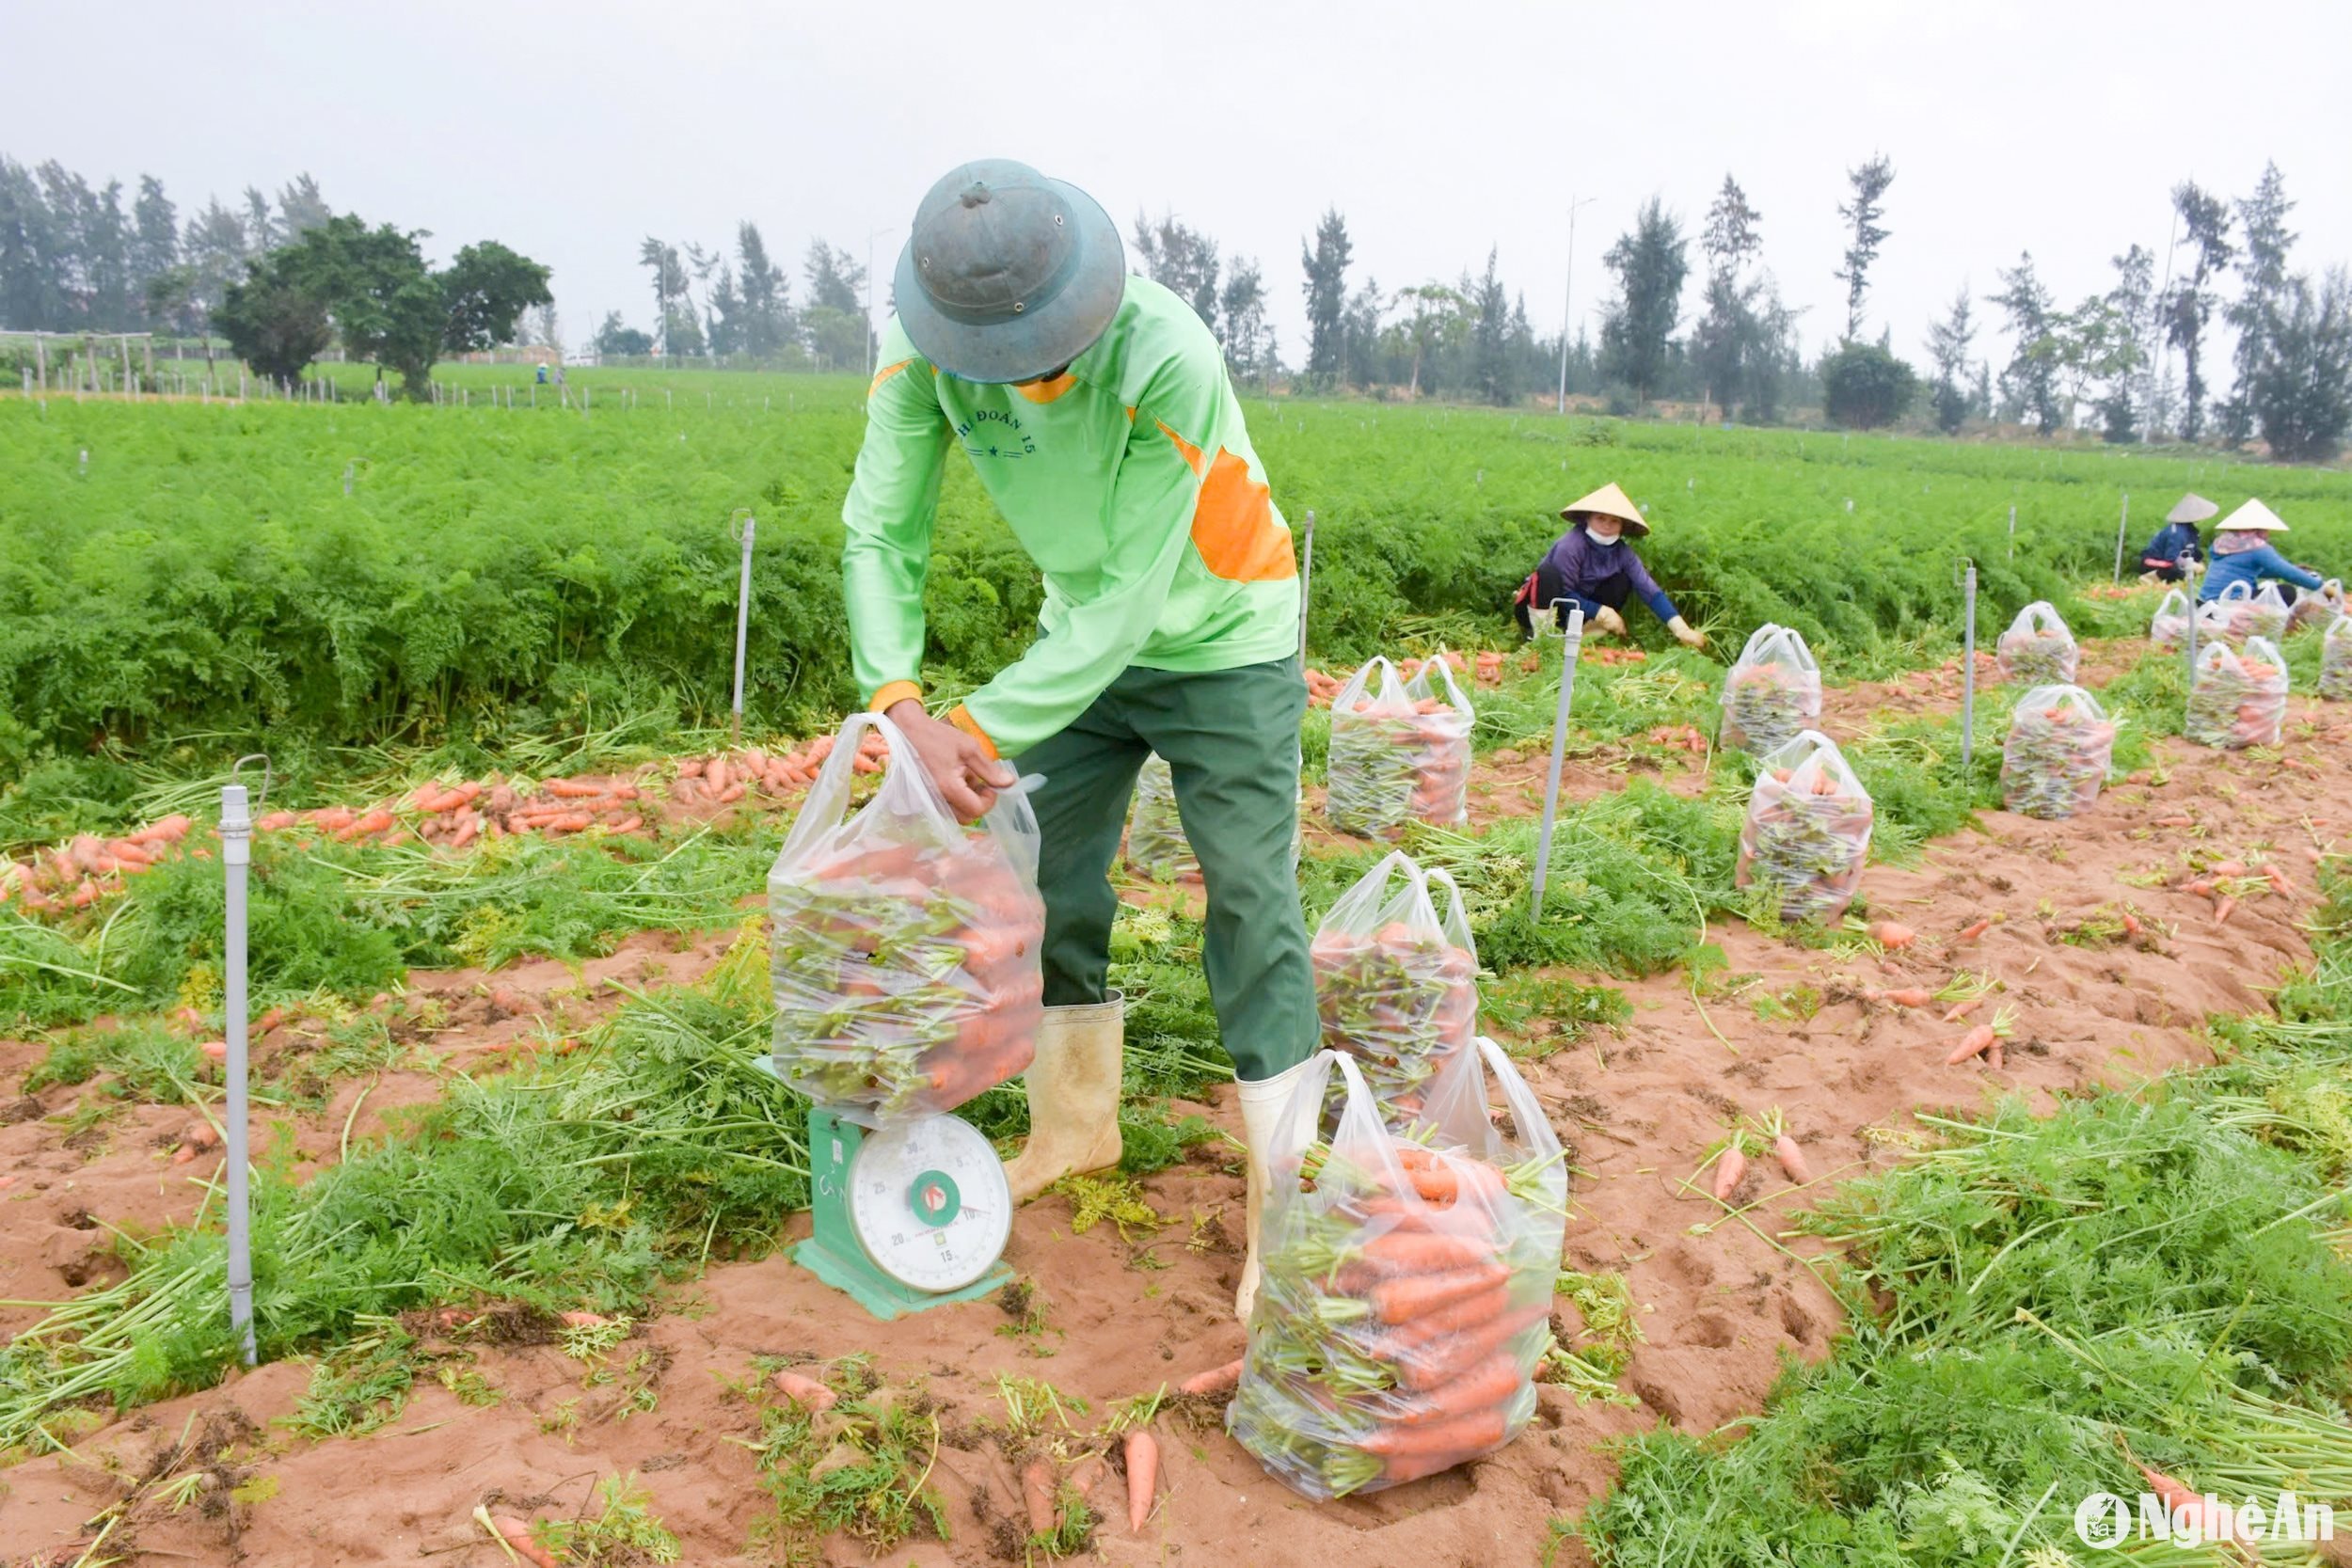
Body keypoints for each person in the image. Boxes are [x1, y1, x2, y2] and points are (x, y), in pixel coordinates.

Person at [840, 159, 1314, 1320]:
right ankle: (1073, 1126)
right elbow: (881, 532)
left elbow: (1129, 605)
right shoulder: (918, 357)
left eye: (1045, 354)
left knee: (1249, 895)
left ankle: (1292, 1208)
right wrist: (898, 698)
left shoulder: (1167, 356)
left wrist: (974, 720)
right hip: (1077, 645)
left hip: (1222, 635)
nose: (1024, 381)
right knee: (1045, 872)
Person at [1511, 482, 1706, 646]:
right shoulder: (1571, 545)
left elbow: (1650, 591)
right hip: (1544, 605)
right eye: (1600, 518)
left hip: (1578, 613)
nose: (1607, 525)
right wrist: (1601, 612)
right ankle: (1541, 639)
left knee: (1623, 580)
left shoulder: (1623, 553)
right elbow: (1563, 594)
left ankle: (1581, 640)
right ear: (1588, 518)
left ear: (1622, 526)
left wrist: (1680, 629)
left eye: (1614, 521)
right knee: (1548, 573)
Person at [2197, 498, 2324, 606]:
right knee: (2287, 592)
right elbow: (2287, 572)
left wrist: (2292, 569)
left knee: (2266, 588)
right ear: (2258, 529)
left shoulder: (2223, 542)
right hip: (2231, 603)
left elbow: (2247, 569)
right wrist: (2321, 587)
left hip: (2205, 602)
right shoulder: (2257, 547)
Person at [2138, 492, 2215, 582]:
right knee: (2178, 572)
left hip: (2176, 560)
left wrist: (2199, 563)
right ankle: (2151, 578)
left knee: (2199, 564)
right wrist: (2190, 565)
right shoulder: (2176, 533)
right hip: (2156, 563)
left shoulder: (2192, 530)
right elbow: (2171, 558)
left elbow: (2193, 552)